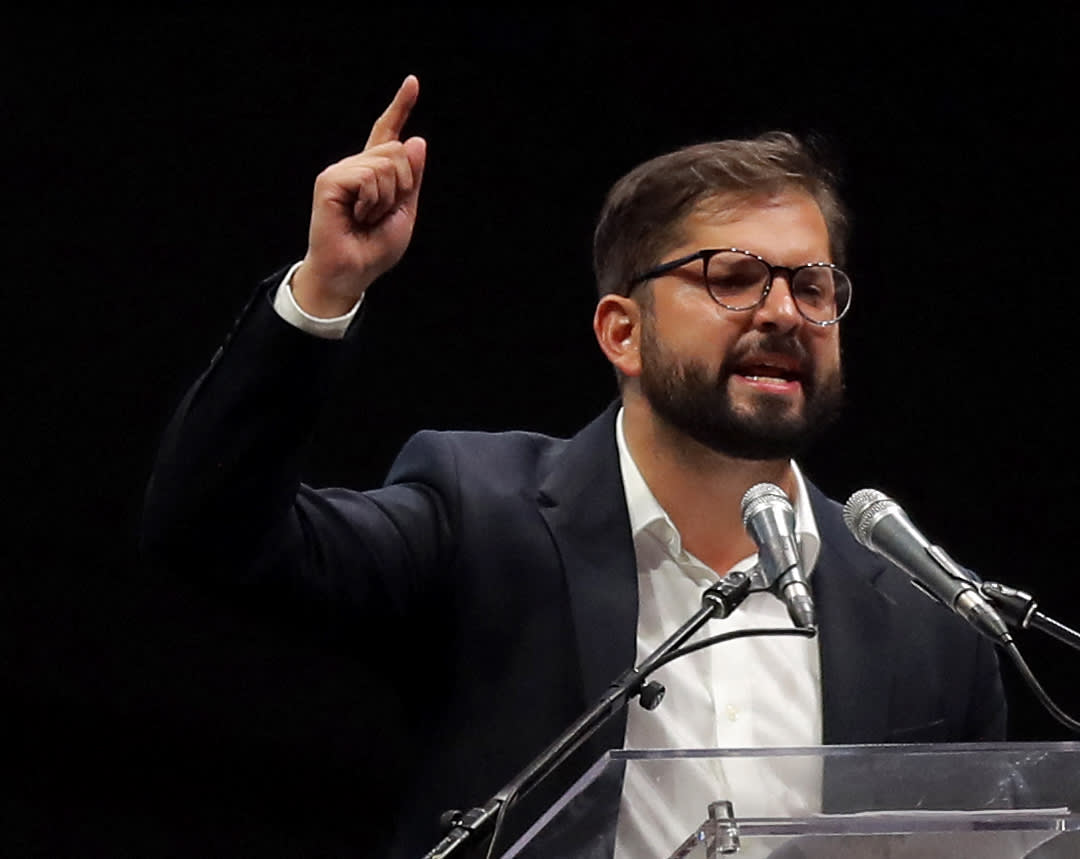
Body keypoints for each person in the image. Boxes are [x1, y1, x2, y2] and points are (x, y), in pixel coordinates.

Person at [142, 75, 1005, 858]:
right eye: (735, 277)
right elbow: (211, 530)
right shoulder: (483, 519)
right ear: (623, 332)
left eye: (812, 287)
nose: (783, 312)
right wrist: (325, 288)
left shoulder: (931, 620)